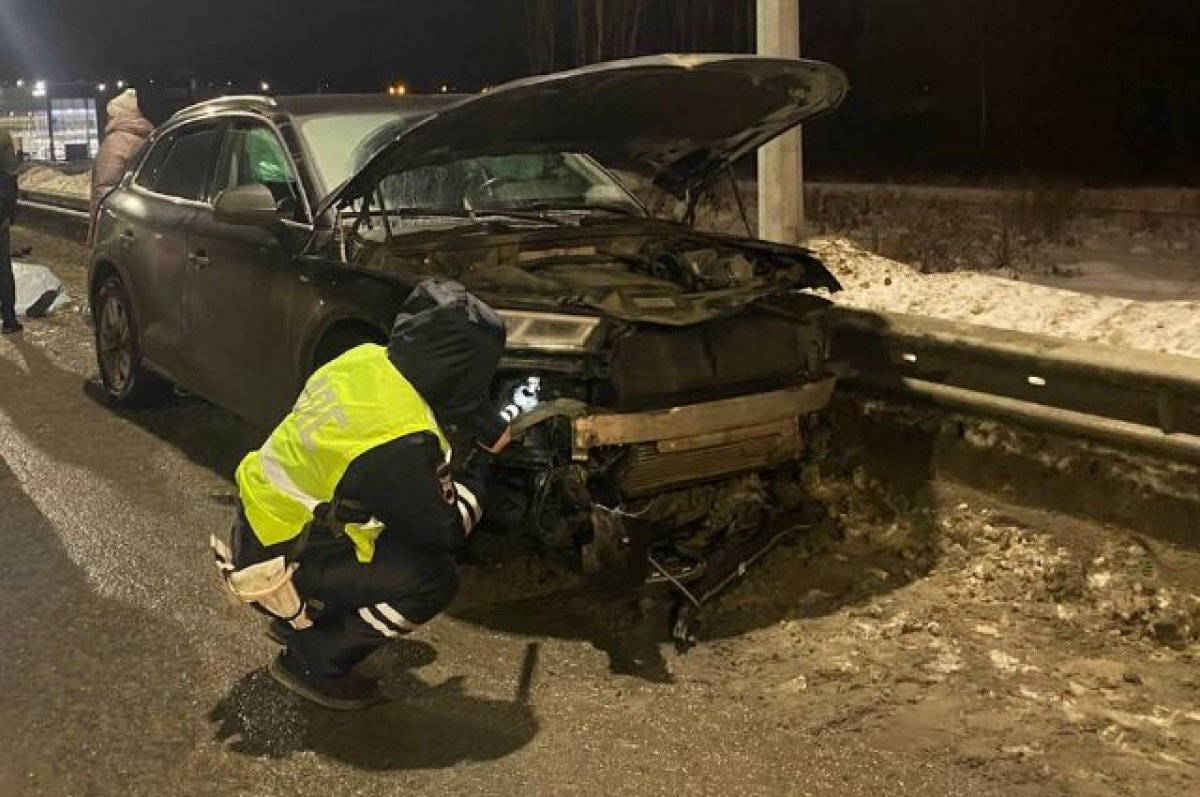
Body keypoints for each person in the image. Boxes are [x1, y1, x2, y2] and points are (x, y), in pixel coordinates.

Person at [212, 279, 512, 710]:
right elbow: (445, 530)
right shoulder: (401, 440)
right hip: (284, 557)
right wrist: (482, 465)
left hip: (261, 526)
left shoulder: (362, 360)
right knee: (433, 579)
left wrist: (473, 415)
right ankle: (314, 659)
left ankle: (305, 618)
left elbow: (434, 394)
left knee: (380, 531)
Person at [89, 89, 154, 237]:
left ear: (117, 115)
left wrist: (98, 228)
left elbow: (104, 187)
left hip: (119, 223)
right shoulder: (148, 139)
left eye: (110, 115)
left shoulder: (114, 143)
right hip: (145, 218)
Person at [0, 129, 21, 334]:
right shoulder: (2, 136)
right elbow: (10, 178)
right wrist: (8, 212)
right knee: (2, 268)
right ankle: (8, 319)